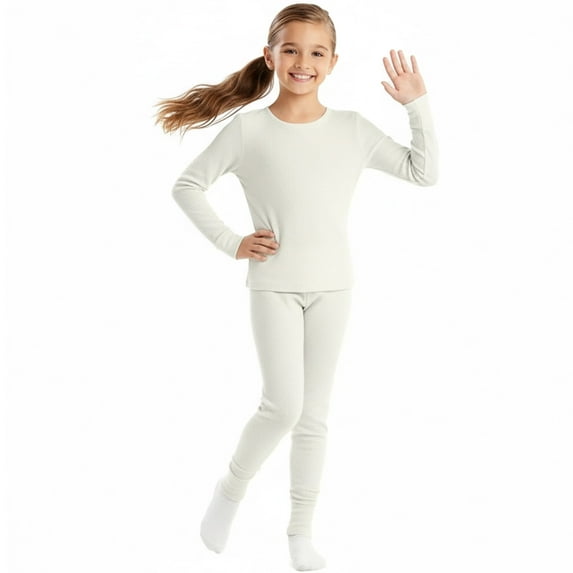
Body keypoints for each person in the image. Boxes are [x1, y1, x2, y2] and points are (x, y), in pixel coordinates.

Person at [155, 3, 438, 570]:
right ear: (270, 56)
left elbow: (422, 171)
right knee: (282, 406)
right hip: (274, 287)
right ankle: (230, 491)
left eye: (316, 52)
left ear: (333, 62)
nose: (302, 62)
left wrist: (417, 105)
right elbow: (187, 185)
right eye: (290, 49)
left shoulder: (352, 129)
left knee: (313, 416)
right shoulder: (249, 129)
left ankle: (299, 534)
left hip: (334, 287)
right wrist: (232, 241)